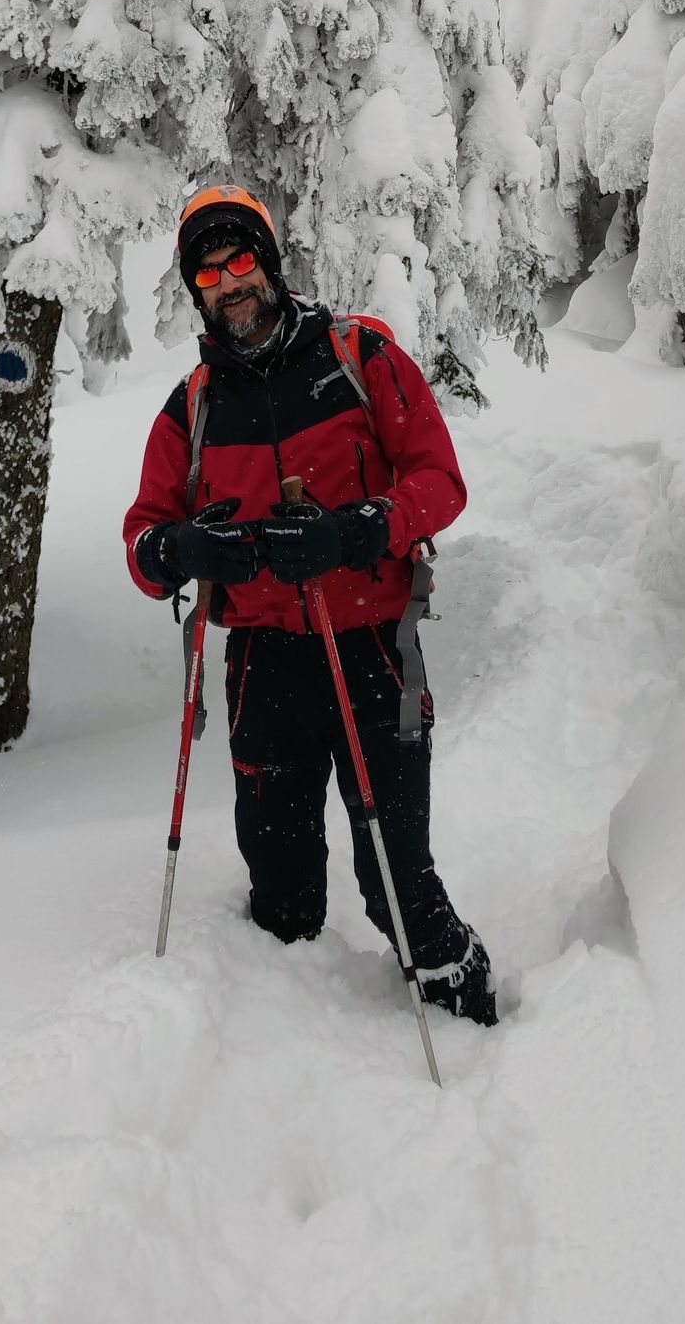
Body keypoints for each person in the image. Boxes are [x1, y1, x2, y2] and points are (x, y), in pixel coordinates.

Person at [123, 184, 497, 1025]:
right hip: (264, 664)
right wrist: (183, 550)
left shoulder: (358, 357)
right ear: (196, 292)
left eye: (243, 259)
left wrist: (364, 530)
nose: (230, 282)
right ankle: (301, 1054)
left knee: (396, 882)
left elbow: (441, 482)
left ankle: (465, 1001)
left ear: (272, 263)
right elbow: (145, 545)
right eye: (209, 273)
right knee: (282, 892)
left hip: (370, 650)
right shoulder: (193, 408)